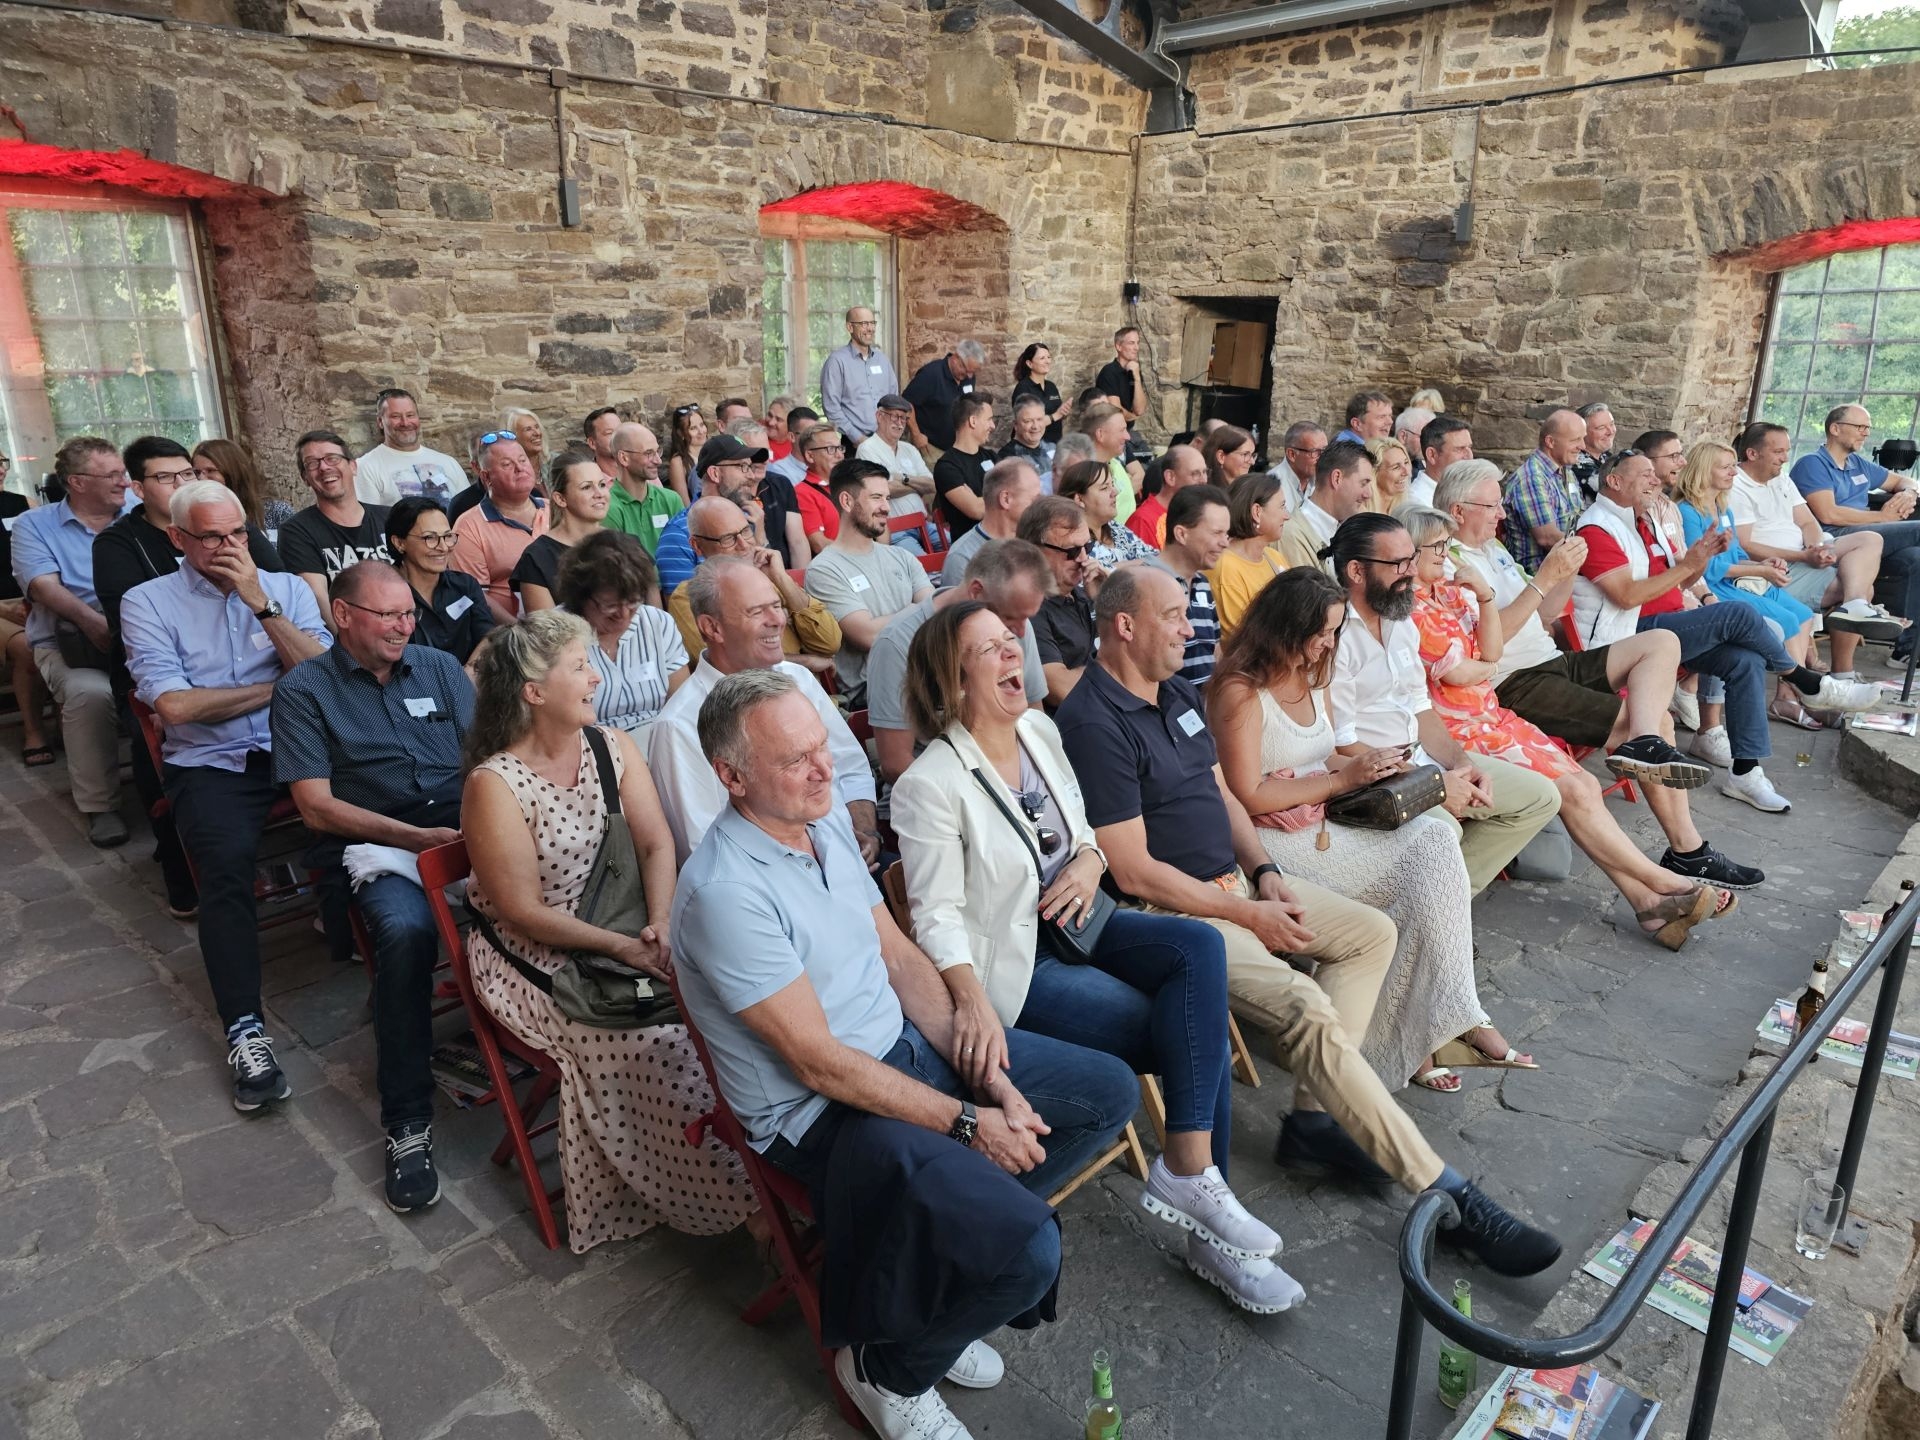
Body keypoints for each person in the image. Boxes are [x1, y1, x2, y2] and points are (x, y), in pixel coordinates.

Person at [1056, 565, 1563, 1275]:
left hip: (1238, 882)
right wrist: (1247, 911)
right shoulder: (1092, 721)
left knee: (1371, 934)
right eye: (1172, 616)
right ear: (1124, 625)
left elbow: (1221, 796)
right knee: (1303, 1007)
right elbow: (1134, 870)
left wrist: (1264, 872)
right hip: (1174, 911)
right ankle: (1446, 1191)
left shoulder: (1173, 692)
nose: (1189, 628)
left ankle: (1314, 1118)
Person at [672, 669, 1137, 1438]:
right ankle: (884, 1367)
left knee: (1106, 1094)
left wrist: (986, 1072)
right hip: (821, 1117)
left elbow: (899, 960)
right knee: (1026, 1255)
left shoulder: (819, 823)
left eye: (822, 746)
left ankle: (938, 1273)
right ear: (732, 777)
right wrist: (969, 1123)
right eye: (796, 759)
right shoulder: (725, 891)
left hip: (905, 1049)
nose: (824, 769)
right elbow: (817, 1063)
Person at [893, 600, 1300, 1313]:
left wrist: (1086, 863)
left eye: (1010, 640)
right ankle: (1211, 1225)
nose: (1013, 653)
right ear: (953, 681)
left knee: (1198, 951)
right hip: (1022, 963)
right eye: (989, 649)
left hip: (1084, 921)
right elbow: (936, 915)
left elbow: (1084, 833)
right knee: (1189, 1031)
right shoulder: (930, 783)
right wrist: (969, 999)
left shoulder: (1038, 730)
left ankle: (1190, 1175)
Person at [459, 610, 754, 1254]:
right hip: (536, 956)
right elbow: (521, 912)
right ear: (535, 692)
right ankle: (742, 1200)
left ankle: (764, 1156)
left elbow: (655, 845)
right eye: (580, 667)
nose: (596, 677)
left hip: (629, 923)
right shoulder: (495, 785)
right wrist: (623, 947)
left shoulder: (612, 746)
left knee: (735, 1004)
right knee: (659, 1044)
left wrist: (659, 923)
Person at [1210, 566, 1523, 1089]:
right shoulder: (1240, 691)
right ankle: (1430, 1033)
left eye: (1334, 631)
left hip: (1320, 821)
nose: (1328, 643)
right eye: (1320, 632)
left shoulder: (1315, 674)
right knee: (1416, 881)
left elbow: (1322, 754)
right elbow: (1247, 793)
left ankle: (1451, 1016)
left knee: (1435, 839)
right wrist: (1341, 780)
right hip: (1270, 838)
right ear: (1284, 628)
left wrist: (1371, 766)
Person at [1402, 504, 1741, 949]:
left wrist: (1490, 600)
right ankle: (1667, 881)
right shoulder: (1410, 609)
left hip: (1495, 708)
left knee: (1588, 778)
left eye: (1447, 545)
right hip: (1464, 725)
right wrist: (1487, 656)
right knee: (1578, 790)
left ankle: (1649, 902)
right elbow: (1465, 671)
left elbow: (1495, 648)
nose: (1447, 554)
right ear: (1410, 554)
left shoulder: (1452, 590)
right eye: (1438, 547)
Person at [271, 561, 475, 1212]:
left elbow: (487, 756)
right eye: (387, 615)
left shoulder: (439, 667)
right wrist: (413, 839)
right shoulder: (304, 691)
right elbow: (315, 808)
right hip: (376, 840)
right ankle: (407, 1122)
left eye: (408, 613)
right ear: (342, 615)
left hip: (462, 821)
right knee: (406, 933)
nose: (403, 626)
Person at [121, 480, 330, 1107]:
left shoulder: (285, 588)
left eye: (238, 533)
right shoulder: (147, 601)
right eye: (211, 537)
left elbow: (326, 678)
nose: (229, 547)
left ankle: (361, 936)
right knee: (225, 869)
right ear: (177, 538)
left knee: (379, 816)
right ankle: (245, 1029)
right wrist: (280, 689)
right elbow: (176, 708)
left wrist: (260, 603)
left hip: (298, 748)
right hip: (212, 762)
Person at [1575, 451, 1877, 813]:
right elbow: (1626, 597)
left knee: (1744, 660)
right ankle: (1805, 682)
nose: (1656, 480)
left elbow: (1679, 582)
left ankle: (1746, 773)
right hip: (1626, 639)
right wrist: (1689, 566)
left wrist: (1699, 560)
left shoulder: (1641, 522)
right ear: (1614, 481)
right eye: (1645, 475)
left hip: (1667, 628)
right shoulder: (1598, 529)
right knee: (1738, 612)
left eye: (1655, 474)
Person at [1325, 513, 1562, 893]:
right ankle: (1432, 901)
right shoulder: (1334, 636)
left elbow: (1420, 707)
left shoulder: (1399, 619)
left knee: (1540, 797)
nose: (1411, 571)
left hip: (1419, 758)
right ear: (1356, 570)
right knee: (1446, 830)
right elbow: (1340, 743)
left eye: (1411, 559)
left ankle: (1438, 899)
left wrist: (1462, 763)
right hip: (1371, 775)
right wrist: (1432, 784)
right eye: (1399, 563)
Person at [650, 558, 877, 861]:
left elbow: (850, 766)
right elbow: (703, 846)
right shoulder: (679, 725)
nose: (778, 620)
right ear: (712, 627)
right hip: (769, 884)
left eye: (777, 605)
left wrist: (865, 831)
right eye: (756, 611)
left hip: (850, 858)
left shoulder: (799, 679)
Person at [9, 436, 131, 845]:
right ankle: (100, 805)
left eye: (124, 472)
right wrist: (93, 622)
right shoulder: (34, 525)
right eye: (112, 475)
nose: (124, 482)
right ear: (77, 482)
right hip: (71, 645)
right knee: (90, 694)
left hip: (144, 634)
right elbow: (42, 586)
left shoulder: (137, 512)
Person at [868, 540, 1050, 783]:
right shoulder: (897, 642)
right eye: (1009, 618)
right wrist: (989, 792)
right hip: (938, 790)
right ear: (976, 591)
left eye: (1026, 619)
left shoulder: (1015, 625)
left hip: (1014, 777)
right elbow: (896, 763)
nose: (1020, 632)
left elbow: (1034, 719)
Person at [1729, 420, 1897, 683]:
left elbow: (1808, 522)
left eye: (1787, 451)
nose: (1785, 458)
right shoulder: (1736, 486)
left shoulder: (1781, 479)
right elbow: (1745, 545)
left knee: (1870, 539)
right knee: (1866, 589)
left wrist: (1816, 548)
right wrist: (1804, 556)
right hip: (1774, 568)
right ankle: (1843, 671)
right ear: (1752, 454)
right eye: (1778, 452)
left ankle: (1854, 605)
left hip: (1804, 554)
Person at [1675, 441, 1827, 728]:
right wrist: (1760, 571)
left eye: (1734, 466)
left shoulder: (1723, 508)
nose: (1734, 472)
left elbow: (1737, 556)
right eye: (1726, 467)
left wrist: (1765, 563)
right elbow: (1704, 567)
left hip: (1738, 580)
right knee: (1785, 620)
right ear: (1704, 470)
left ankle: (1791, 695)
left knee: (1803, 614)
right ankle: (1800, 696)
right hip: (1712, 587)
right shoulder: (1688, 511)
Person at [1790, 402, 1920, 659]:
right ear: (1835, 428)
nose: (1866, 433)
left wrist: (1909, 492)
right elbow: (1829, 514)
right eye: (1860, 427)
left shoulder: (1858, 464)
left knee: (1916, 559)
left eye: (1868, 428)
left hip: (1871, 539)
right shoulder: (1812, 464)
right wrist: (1882, 517)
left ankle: (1906, 652)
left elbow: (1902, 480)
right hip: (1836, 538)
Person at [664, 494, 842, 677]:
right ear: (697, 546)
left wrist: (781, 578)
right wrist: (806, 662)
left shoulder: (769, 575)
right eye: (728, 538)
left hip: (808, 690)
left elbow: (830, 642)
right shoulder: (688, 596)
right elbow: (723, 661)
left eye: (746, 531)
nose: (743, 545)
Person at [803, 460, 933, 703]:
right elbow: (869, 636)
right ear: (847, 501)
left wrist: (920, 611)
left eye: (887, 498)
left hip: (923, 673)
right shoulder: (824, 570)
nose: (886, 507)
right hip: (875, 689)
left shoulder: (902, 556)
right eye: (876, 498)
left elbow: (935, 617)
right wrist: (918, 610)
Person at [553, 530, 689, 737]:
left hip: (660, 736)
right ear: (581, 596)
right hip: (590, 742)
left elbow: (680, 704)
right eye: (611, 606)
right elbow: (557, 722)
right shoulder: (556, 634)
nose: (624, 615)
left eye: (633, 602)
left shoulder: (657, 623)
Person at [278, 431, 393, 618]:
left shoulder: (389, 518)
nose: (324, 467)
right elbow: (317, 598)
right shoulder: (296, 531)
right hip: (345, 631)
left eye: (332, 458)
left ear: (353, 466)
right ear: (305, 478)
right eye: (312, 463)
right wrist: (345, 637)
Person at [655, 434, 778, 595]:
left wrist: (760, 538)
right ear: (715, 473)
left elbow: (770, 592)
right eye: (742, 466)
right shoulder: (679, 534)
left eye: (750, 467)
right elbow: (682, 604)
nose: (751, 476)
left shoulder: (750, 519)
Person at [450, 432, 548, 624]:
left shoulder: (555, 510)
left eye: (523, 460)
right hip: (510, 630)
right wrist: (520, 631)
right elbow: (475, 595)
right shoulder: (468, 527)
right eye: (507, 464)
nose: (520, 468)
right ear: (486, 477)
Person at [385, 497, 494, 664]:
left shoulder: (465, 585)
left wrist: (466, 674)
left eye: (447, 536)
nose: (443, 547)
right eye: (430, 538)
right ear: (399, 543)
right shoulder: (384, 596)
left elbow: (488, 637)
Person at [1019, 496, 1103, 709]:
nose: (1083, 558)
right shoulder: (1028, 611)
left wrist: (1107, 602)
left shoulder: (1087, 591)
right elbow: (1063, 690)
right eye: (1072, 551)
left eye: (1088, 546)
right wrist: (1120, 664)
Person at [1149, 485, 1231, 688]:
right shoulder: (1147, 583)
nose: (1225, 543)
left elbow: (1214, 651)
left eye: (1226, 534)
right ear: (1181, 534)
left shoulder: (1202, 583)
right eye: (1216, 533)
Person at [511, 452, 610, 612]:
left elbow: (649, 613)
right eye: (586, 487)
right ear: (561, 499)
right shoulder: (537, 558)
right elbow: (546, 625)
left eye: (602, 485)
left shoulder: (626, 545)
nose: (599, 494)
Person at [0, 463, 52, 768]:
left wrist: (33, 599)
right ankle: (34, 732)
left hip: (28, 599)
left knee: (65, 633)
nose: (0, 469)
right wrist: (5, 609)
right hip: (1, 608)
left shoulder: (25, 505)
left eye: (1, 462)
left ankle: (73, 722)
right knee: (29, 649)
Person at [1503, 408, 1588, 573]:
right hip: (1540, 577)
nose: (1583, 446)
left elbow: (1578, 519)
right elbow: (1548, 538)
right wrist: (1598, 554)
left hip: (1568, 569)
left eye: (1583, 438)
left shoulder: (1565, 470)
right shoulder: (1532, 478)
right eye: (1575, 440)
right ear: (1550, 442)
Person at [354, 388, 470, 506]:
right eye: (396, 416)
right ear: (380, 422)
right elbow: (368, 516)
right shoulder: (366, 467)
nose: (405, 423)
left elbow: (468, 510)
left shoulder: (449, 463)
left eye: (410, 415)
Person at [1209, 471, 1289, 637]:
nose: (1287, 516)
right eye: (1281, 507)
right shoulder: (1226, 567)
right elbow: (1243, 640)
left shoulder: (1274, 557)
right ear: (1257, 512)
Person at [940, 457, 1042, 585]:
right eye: (1035, 500)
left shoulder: (1037, 542)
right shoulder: (963, 559)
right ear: (1006, 499)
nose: (1040, 506)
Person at [1277, 439, 1373, 573]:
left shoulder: (1349, 529)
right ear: (1336, 478)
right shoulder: (1292, 536)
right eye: (1363, 483)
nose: (1369, 494)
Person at [854, 393, 937, 541]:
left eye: (904, 418)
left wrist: (903, 479)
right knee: (916, 556)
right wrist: (918, 486)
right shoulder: (867, 449)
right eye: (895, 417)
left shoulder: (909, 449)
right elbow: (883, 490)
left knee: (958, 548)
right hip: (895, 530)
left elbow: (932, 485)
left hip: (924, 525)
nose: (900, 423)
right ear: (879, 416)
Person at [821, 306, 899, 446]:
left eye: (872, 323)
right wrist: (858, 439)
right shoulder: (837, 362)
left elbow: (894, 400)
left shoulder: (882, 360)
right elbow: (831, 408)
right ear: (850, 327)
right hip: (855, 443)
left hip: (886, 441)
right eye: (864, 324)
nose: (870, 328)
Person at [1057, 459, 1152, 572]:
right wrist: (1139, 563)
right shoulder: (1072, 541)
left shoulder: (1114, 528)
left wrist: (1112, 567)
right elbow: (1089, 575)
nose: (1115, 492)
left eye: (1113, 485)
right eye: (1104, 488)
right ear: (1079, 499)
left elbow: (1155, 559)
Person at [603, 421, 683, 556]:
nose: (658, 460)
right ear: (624, 458)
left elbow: (685, 550)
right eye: (648, 453)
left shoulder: (671, 499)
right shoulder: (608, 507)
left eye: (658, 451)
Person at [192, 437, 297, 535]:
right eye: (196, 472)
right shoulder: (196, 519)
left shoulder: (277, 513)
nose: (201, 479)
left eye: (210, 470)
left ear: (233, 472)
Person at [931, 395, 996, 541]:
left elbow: (1016, 494)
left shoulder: (991, 456)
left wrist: (981, 500)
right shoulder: (947, 467)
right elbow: (976, 510)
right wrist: (1005, 498)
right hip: (973, 548)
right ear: (973, 421)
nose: (993, 426)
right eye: (989, 419)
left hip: (1002, 542)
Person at [902, 341, 984, 453]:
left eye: (972, 372)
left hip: (956, 449)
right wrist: (916, 434)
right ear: (956, 358)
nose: (969, 376)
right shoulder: (931, 374)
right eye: (965, 369)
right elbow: (906, 402)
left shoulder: (968, 377)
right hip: (930, 446)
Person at [1127, 444, 1206, 550]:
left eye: (1205, 472)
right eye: (1195, 474)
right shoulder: (1143, 521)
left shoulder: (1197, 512)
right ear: (1170, 477)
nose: (1204, 480)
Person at [793, 421, 848, 556]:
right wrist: (857, 553)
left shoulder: (849, 485)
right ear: (810, 456)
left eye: (840, 448)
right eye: (831, 449)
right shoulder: (802, 492)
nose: (839, 455)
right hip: (837, 563)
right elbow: (819, 544)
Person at [1081, 401, 1139, 525]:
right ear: (1100, 434)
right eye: (1122, 430)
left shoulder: (1115, 464)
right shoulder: (1083, 476)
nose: (1128, 437)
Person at [997, 395, 1057, 493]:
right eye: (1028, 421)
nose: (1035, 426)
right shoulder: (1008, 457)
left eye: (1039, 419)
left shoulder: (1052, 447)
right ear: (1015, 425)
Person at [1011, 342, 1068, 443]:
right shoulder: (1023, 388)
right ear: (1029, 364)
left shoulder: (1051, 386)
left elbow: (1058, 414)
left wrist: (1063, 412)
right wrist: (1055, 415)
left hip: (1054, 444)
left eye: (1049, 357)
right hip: (1031, 446)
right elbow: (1027, 423)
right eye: (1042, 358)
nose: (1047, 361)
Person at [1267, 422, 1327, 514]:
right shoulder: (1271, 487)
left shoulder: (1322, 479)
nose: (1323, 458)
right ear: (1292, 454)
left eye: (1325, 450)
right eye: (1315, 452)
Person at [1094, 326, 1147, 424]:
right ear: (1118, 346)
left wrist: (1137, 378)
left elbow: (1139, 410)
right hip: (1110, 429)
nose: (1137, 348)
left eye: (1137, 343)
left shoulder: (1135, 371)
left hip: (1126, 429)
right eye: (1131, 343)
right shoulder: (1109, 372)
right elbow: (1116, 412)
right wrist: (1133, 417)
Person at [1569, 402, 1621, 500]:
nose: (1610, 431)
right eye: (1601, 428)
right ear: (1582, 433)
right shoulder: (1577, 463)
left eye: (1612, 424)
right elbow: (1621, 493)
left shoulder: (1605, 456)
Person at [664, 402, 708, 505]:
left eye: (702, 425)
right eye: (693, 428)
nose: (701, 431)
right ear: (681, 433)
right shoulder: (678, 462)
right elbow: (684, 504)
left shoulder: (715, 451)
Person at [1420, 414, 1475, 494]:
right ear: (1432, 455)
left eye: (1469, 447)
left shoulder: (1460, 490)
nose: (1470, 456)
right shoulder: (1417, 499)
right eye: (1459, 449)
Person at [1394, 406, 1438, 502]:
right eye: (1423, 437)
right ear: (1403, 436)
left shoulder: (1423, 464)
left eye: (1433, 438)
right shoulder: (1386, 464)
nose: (1429, 443)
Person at [1363, 436, 1415, 515]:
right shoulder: (1358, 514)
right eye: (1396, 467)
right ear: (1374, 472)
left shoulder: (1409, 509)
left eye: (1406, 462)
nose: (1406, 472)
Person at [1199, 426, 1256, 493]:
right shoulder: (1205, 494)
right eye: (1245, 454)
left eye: (1252, 455)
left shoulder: (1250, 491)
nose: (1252, 462)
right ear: (1221, 456)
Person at [501, 407, 548, 482]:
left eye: (537, 427)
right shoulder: (506, 474)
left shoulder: (557, 464)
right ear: (513, 436)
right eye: (528, 429)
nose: (537, 433)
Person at [583, 406, 622, 481]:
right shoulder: (586, 481)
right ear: (592, 443)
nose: (619, 436)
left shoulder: (642, 472)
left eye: (620, 430)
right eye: (609, 433)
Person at [763, 395, 796, 463]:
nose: (771, 423)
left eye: (778, 419)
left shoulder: (795, 450)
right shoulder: (754, 433)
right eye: (770, 415)